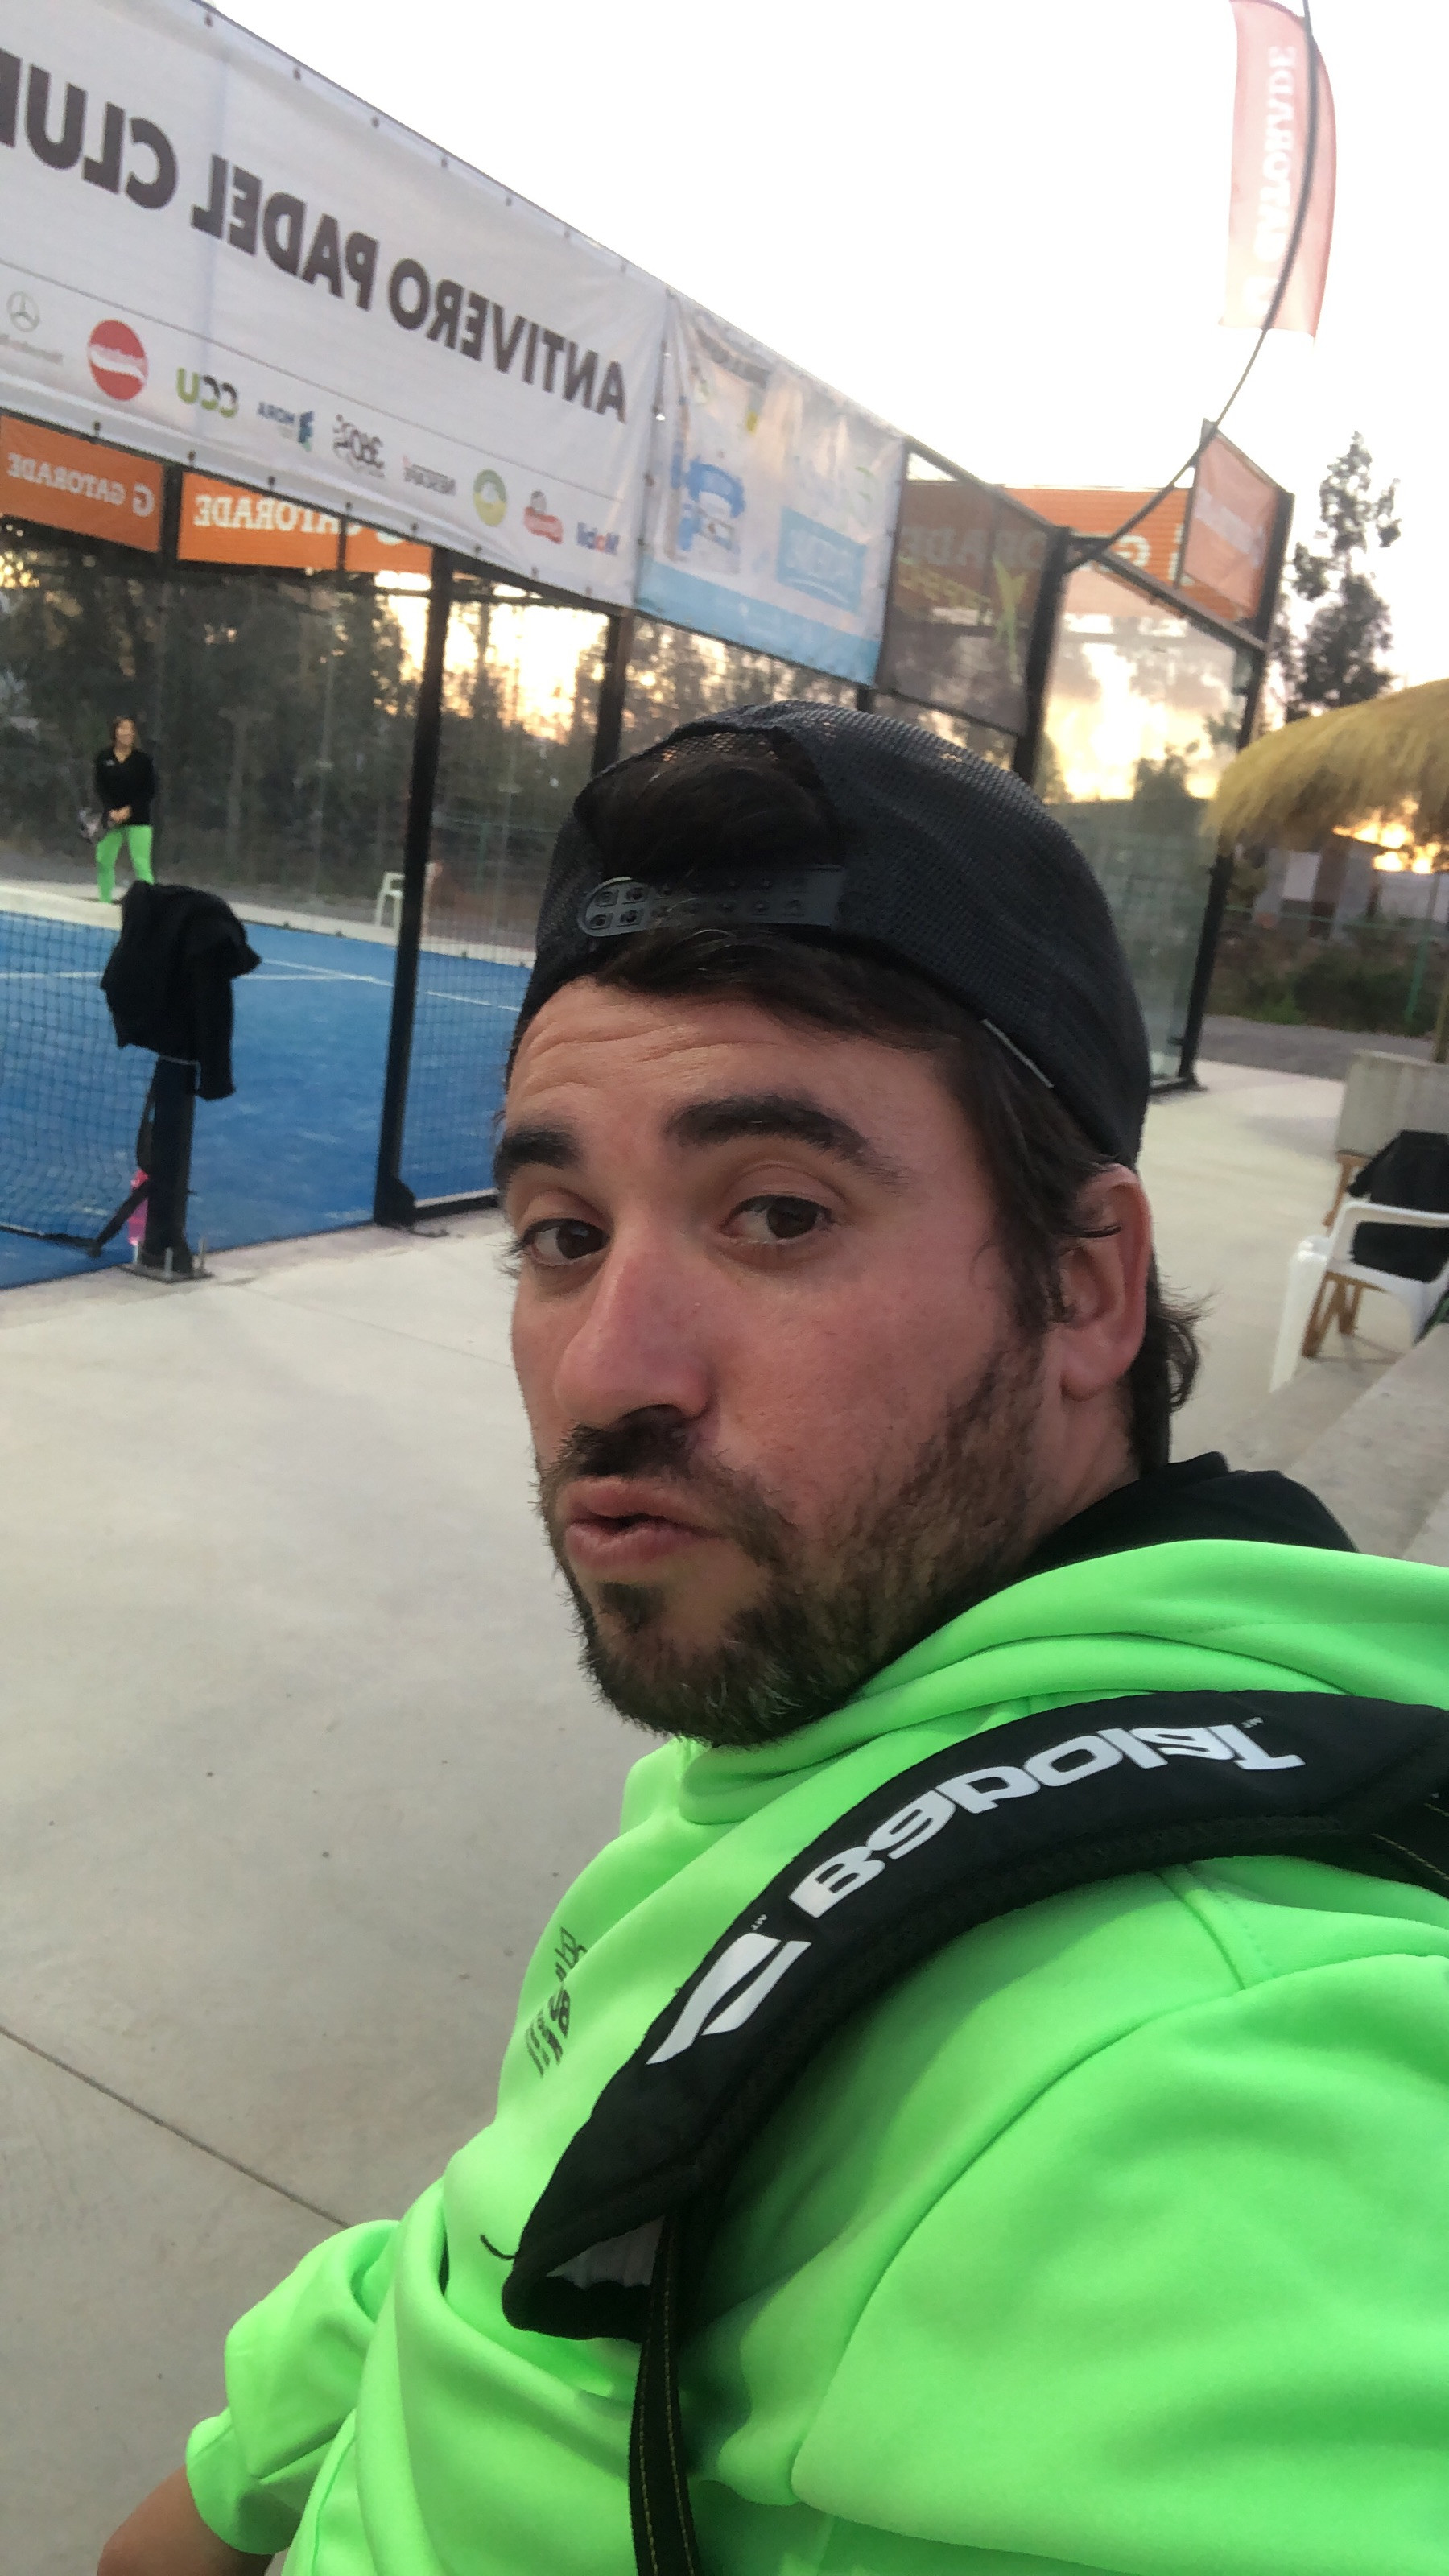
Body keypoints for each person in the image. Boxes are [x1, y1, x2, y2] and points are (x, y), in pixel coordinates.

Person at [101, 707, 1449, 2576]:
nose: (608, 1371)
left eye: (778, 1213)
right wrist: (232, 2476)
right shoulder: (838, 1711)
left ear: (1084, 1287)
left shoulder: (1209, 2070)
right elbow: (519, 2200)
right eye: (561, 1231)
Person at [93, 716, 157, 905]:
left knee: (141, 864)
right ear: (115, 732)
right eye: (122, 728)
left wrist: (129, 810)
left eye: (130, 729)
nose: (126, 732)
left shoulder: (143, 760)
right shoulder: (103, 758)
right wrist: (111, 811)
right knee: (103, 860)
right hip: (112, 820)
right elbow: (100, 787)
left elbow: (150, 790)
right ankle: (104, 901)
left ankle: (150, 906)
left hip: (139, 821)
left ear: (134, 733)